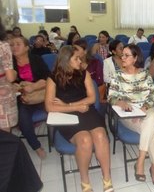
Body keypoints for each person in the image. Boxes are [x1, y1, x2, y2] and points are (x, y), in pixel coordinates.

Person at [45, 46, 114, 192]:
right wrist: (74, 107)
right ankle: (85, 180)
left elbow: (92, 98)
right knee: (85, 139)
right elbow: (50, 107)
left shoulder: (84, 73)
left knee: (101, 136)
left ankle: (107, 178)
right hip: (65, 116)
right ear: (65, 60)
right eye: (76, 58)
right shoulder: (53, 78)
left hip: (86, 111)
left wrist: (70, 104)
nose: (80, 61)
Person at [108, 44, 154, 189]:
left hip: (148, 110)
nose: (123, 57)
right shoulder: (118, 75)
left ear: (135, 58)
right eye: (122, 55)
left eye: (127, 55)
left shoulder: (145, 74)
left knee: (151, 118)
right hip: (129, 115)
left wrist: (144, 108)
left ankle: (140, 161)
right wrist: (121, 102)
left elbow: (152, 95)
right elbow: (111, 97)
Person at [11, 36, 50, 159]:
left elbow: (48, 78)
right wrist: (16, 86)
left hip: (40, 94)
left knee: (55, 109)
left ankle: (57, 137)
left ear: (27, 47)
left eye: (18, 44)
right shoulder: (9, 64)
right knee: (23, 117)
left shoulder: (36, 59)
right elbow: (7, 82)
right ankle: (36, 146)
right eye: (12, 45)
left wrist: (33, 86)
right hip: (23, 98)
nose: (14, 47)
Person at [73, 39, 107, 103]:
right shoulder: (72, 63)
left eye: (76, 49)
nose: (73, 51)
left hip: (94, 91)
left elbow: (100, 81)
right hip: (78, 94)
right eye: (73, 49)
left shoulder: (95, 62)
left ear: (85, 51)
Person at [0, 22, 18, 132]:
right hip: (2, 95)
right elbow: (11, 77)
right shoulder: (3, 46)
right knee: (5, 137)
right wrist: (15, 72)